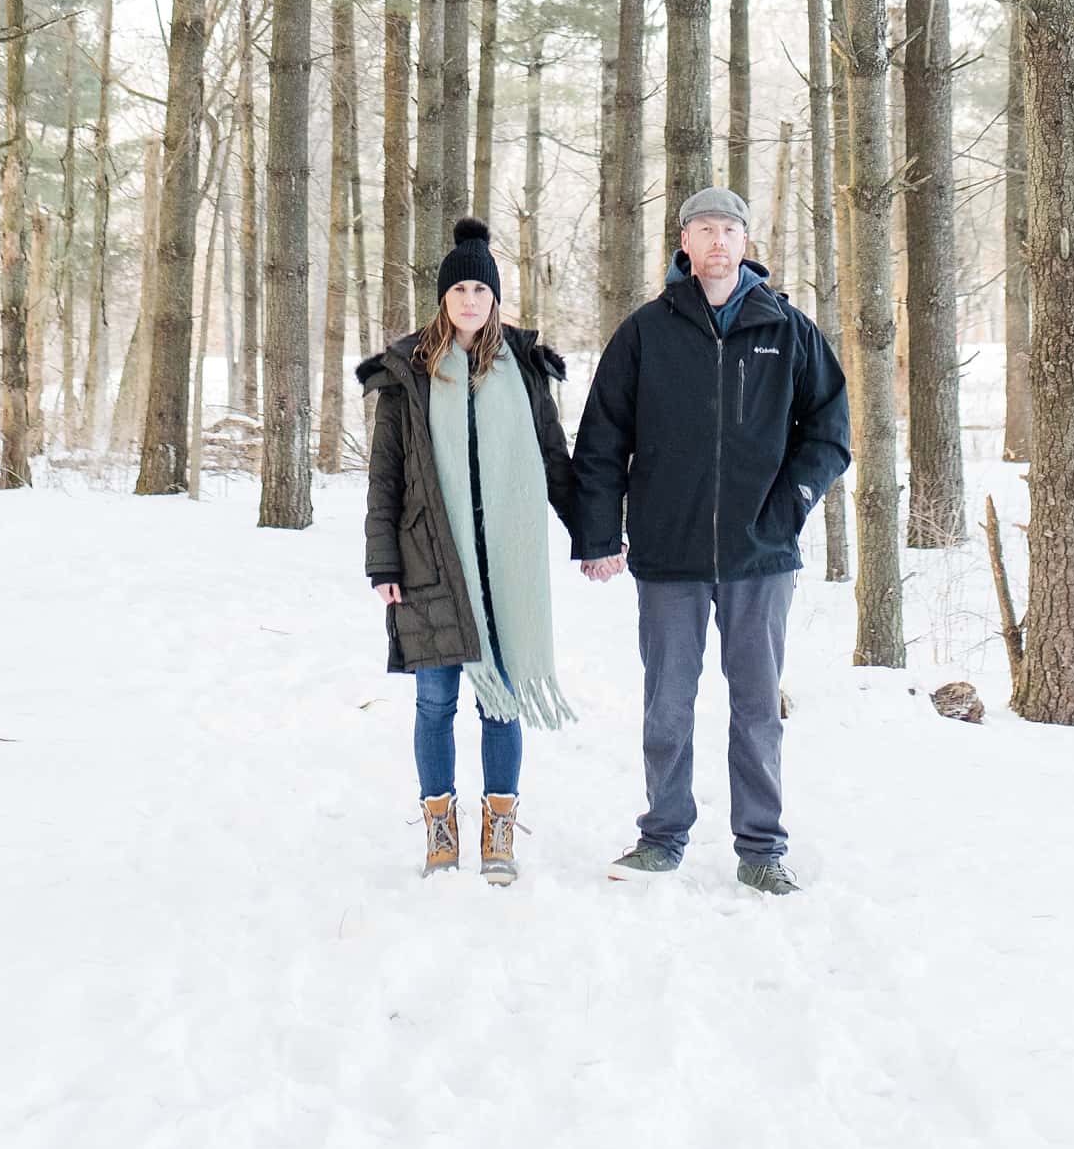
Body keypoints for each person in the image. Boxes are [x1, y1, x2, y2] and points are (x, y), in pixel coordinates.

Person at [572, 186, 851, 894]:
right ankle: (662, 835)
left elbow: (828, 430)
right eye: (704, 229)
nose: (718, 241)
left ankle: (761, 848)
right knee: (668, 700)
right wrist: (601, 534)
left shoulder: (788, 330)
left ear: (746, 243)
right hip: (670, 554)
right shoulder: (646, 333)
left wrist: (790, 502)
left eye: (730, 228)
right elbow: (602, 440)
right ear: (685, 245)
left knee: (757, 706)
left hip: (761, 555)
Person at [359, 216, 579, 882]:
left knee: (501, 702)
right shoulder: (410, 373)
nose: (469, 301)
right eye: (458, 291)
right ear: (443, 299)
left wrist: (594, 534)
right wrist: (383, 563)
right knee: (435, 702)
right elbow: (386, 475)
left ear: (495, 298)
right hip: (431, 560)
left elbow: (553, 459)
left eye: (480, 290)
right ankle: (441, 832)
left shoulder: (525, 371)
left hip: (503, 571)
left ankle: (499, 833)